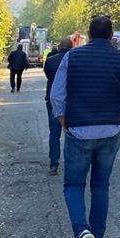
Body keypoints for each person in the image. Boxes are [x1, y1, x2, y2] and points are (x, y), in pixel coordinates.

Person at [50, 15, 120, 238]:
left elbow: (57, 95)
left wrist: (63, 123)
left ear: (89, 35)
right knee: (101, 185)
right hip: (110, 131)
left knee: (73, 185)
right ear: (111, 36)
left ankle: (82, 232)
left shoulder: (72, 57)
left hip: (78, 131)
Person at [43, 37, 74, 175]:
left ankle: (53, 164)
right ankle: (72, 163)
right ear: (71, 47)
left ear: (60, 47)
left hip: (53, 100)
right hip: (71, 101)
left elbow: (48, 75)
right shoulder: (75, 61)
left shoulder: (50, 61)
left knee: (54, 133)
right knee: (72, 133)